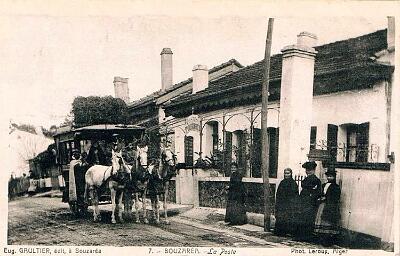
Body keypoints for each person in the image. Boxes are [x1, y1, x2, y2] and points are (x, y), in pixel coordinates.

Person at [295, 161, 321, 242]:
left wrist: (312, 198)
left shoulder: (316, 180)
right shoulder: (307, 178)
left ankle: (306, 236)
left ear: (313, 170)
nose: (308, 171)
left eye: (310, 170)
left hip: (310, 202)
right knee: (302, 218)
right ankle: (300, 236)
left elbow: (317, 192)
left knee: (308, 219)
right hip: (303, 201)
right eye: (307, 170)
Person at [315, 168, 341, 246]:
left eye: (331, 176)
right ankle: (321, 238)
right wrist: (320, 197)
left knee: (328, 222)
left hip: (330, 206)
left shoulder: (335, 187)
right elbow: (320, 193)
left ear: (334, 177)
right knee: (321, 220)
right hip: (322, 205)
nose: (329, 178)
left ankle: (328, 240)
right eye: (328, 176)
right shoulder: (324, 185)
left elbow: (335, 197)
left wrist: (326, 198)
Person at [274, 168, 299, 236]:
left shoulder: (293, 183)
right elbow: (278, 193)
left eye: (288, 173)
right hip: (282, 203)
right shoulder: (282, 183)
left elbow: (295, 194)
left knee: (289, 217)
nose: (286, 175)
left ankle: (289, 231)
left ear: (291, 174)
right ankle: (280, 231)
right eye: (285, 173)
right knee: (281, 217)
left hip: (289, 204)